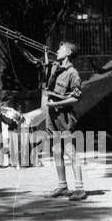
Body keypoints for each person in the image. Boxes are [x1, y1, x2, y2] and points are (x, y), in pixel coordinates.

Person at [43, 41, 86, 201]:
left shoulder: (73, 73)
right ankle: (62, 186)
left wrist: (56, 103)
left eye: (60, 49)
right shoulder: (56, 68)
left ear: (68, 53)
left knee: (69, 151)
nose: (57, 50)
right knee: (56, 151)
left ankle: (80, 188)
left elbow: (76, 97)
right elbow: (40, 63)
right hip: (52, 116)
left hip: (64, 116)